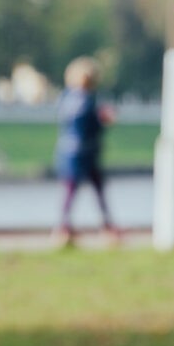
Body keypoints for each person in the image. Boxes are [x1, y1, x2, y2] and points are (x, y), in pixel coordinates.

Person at [54, 56, 118, 246]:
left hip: (70, 152)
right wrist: (103, 120)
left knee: (71, 191)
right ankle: (103, 227)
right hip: (84, 153)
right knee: (88, 190)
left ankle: (65, 228)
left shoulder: (66, 98)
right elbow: (89, 125)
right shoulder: (88, 101)